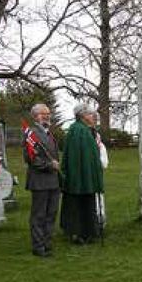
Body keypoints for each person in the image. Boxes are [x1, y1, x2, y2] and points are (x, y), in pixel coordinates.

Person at [59, 103, 104, 244]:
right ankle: (78, 233)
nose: (94, 117)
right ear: (83, 116)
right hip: (79, 177)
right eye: (91, 114)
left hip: (86, 176)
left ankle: (89, 232)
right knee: (77, 205)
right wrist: (80, 176)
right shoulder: (77, 131)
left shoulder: (86, 130)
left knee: (87, 203)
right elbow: (75, 157)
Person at [24, 103, 60, 257]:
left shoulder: (49, 134)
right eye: (43, 114)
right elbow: (31, 158)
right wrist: (49, 165)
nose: (47, 116)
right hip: (39, 180)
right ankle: (38, 246)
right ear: (35, 116)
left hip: (53, 181)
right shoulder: (32, 134)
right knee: (39, 215)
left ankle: (47, 242)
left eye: (48, 113)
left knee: (51, 213)